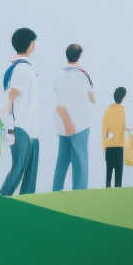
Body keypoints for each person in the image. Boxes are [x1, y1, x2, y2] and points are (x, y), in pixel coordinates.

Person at [0, 27, 44, 196]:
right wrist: (6, 114)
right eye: (34, 42)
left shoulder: (17, 67)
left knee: (29, 172)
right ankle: (1, 198)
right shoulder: (23, 68)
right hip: (21, 126)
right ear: (30, 45)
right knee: (19, 168)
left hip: (28, 127)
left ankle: (27, 203)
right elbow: (13, 92)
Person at [53, 44, 97, 191]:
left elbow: (58, 99)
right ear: (80, 55)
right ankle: (79, 195)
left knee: (62, 161)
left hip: (62, 125)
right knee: (80, 163)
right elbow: (92, 98)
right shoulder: (83, 74)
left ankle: (56, 191)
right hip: (79, 125)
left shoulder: (59, 75)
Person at [101, 88, 129, 188]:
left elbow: (104, 129)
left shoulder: (108, 110)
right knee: (118, 175)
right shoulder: (122, 110)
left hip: (109, 147)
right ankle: (118, 198)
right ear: (122, 97)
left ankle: (107, 196)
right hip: (119, 147)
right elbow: (124, 126)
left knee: (108, 175)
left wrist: (104, 147)